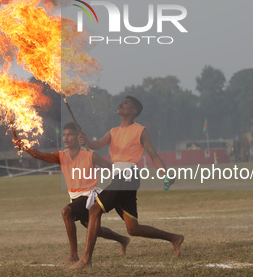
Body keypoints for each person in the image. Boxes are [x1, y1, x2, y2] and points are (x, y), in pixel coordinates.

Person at [70, 96, 184, 269]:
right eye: (122, 102)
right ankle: (175, 238)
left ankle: (86, 259)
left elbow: (153, 155)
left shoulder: (141, 130)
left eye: (126, 104)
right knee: (133, 229)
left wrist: (165, 173)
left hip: (128, 176)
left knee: (94, 210)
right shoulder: (113, 131)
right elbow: (96, 144)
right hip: (119, 178)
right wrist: (85, 140)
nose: (121, 104)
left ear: (133, 111)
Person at [13, 122, 130, 265]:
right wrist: (24, 145)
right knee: (96, 230)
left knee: (66, 212)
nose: (66, 138)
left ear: (77, 137)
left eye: (70, 135)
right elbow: (40, 155)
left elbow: (111, 168)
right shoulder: (61, 156)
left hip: (89, 197)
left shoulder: (91, 155)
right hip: (75, 198)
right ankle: (123, 240)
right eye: (64, 135)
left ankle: (74, 255)